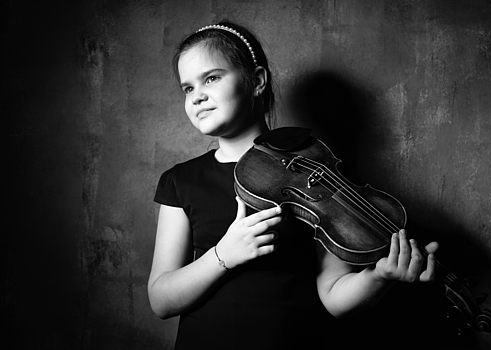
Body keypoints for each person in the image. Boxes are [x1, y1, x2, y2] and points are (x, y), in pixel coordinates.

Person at [147, 21, 439, 349]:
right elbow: (161, 300)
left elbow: (332, 294)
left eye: (212, 78)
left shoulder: (312, 171)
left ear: (256, 81)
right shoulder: (181, 180)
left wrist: (379, 277)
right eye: (188, 88)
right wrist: (223, 254)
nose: (197, 96)